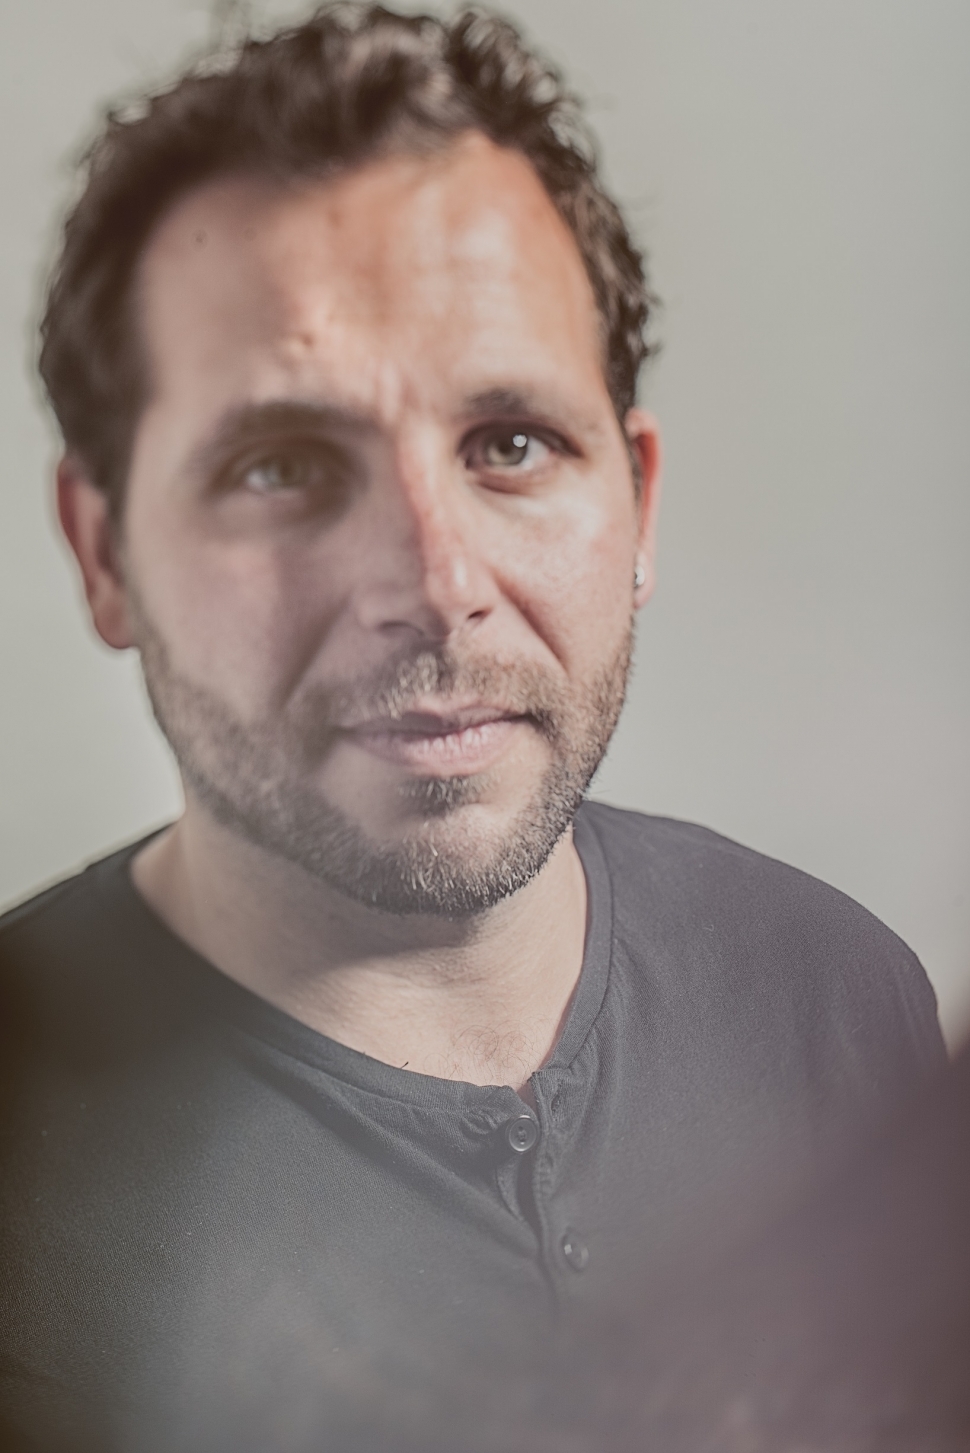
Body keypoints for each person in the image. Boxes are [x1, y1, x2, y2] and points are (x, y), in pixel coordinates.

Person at [0, 5, 946, 1449]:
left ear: (636, 498)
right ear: (103, 551)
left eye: (511, 444)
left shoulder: (842, 1001)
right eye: (283, 465)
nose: (438, 585)